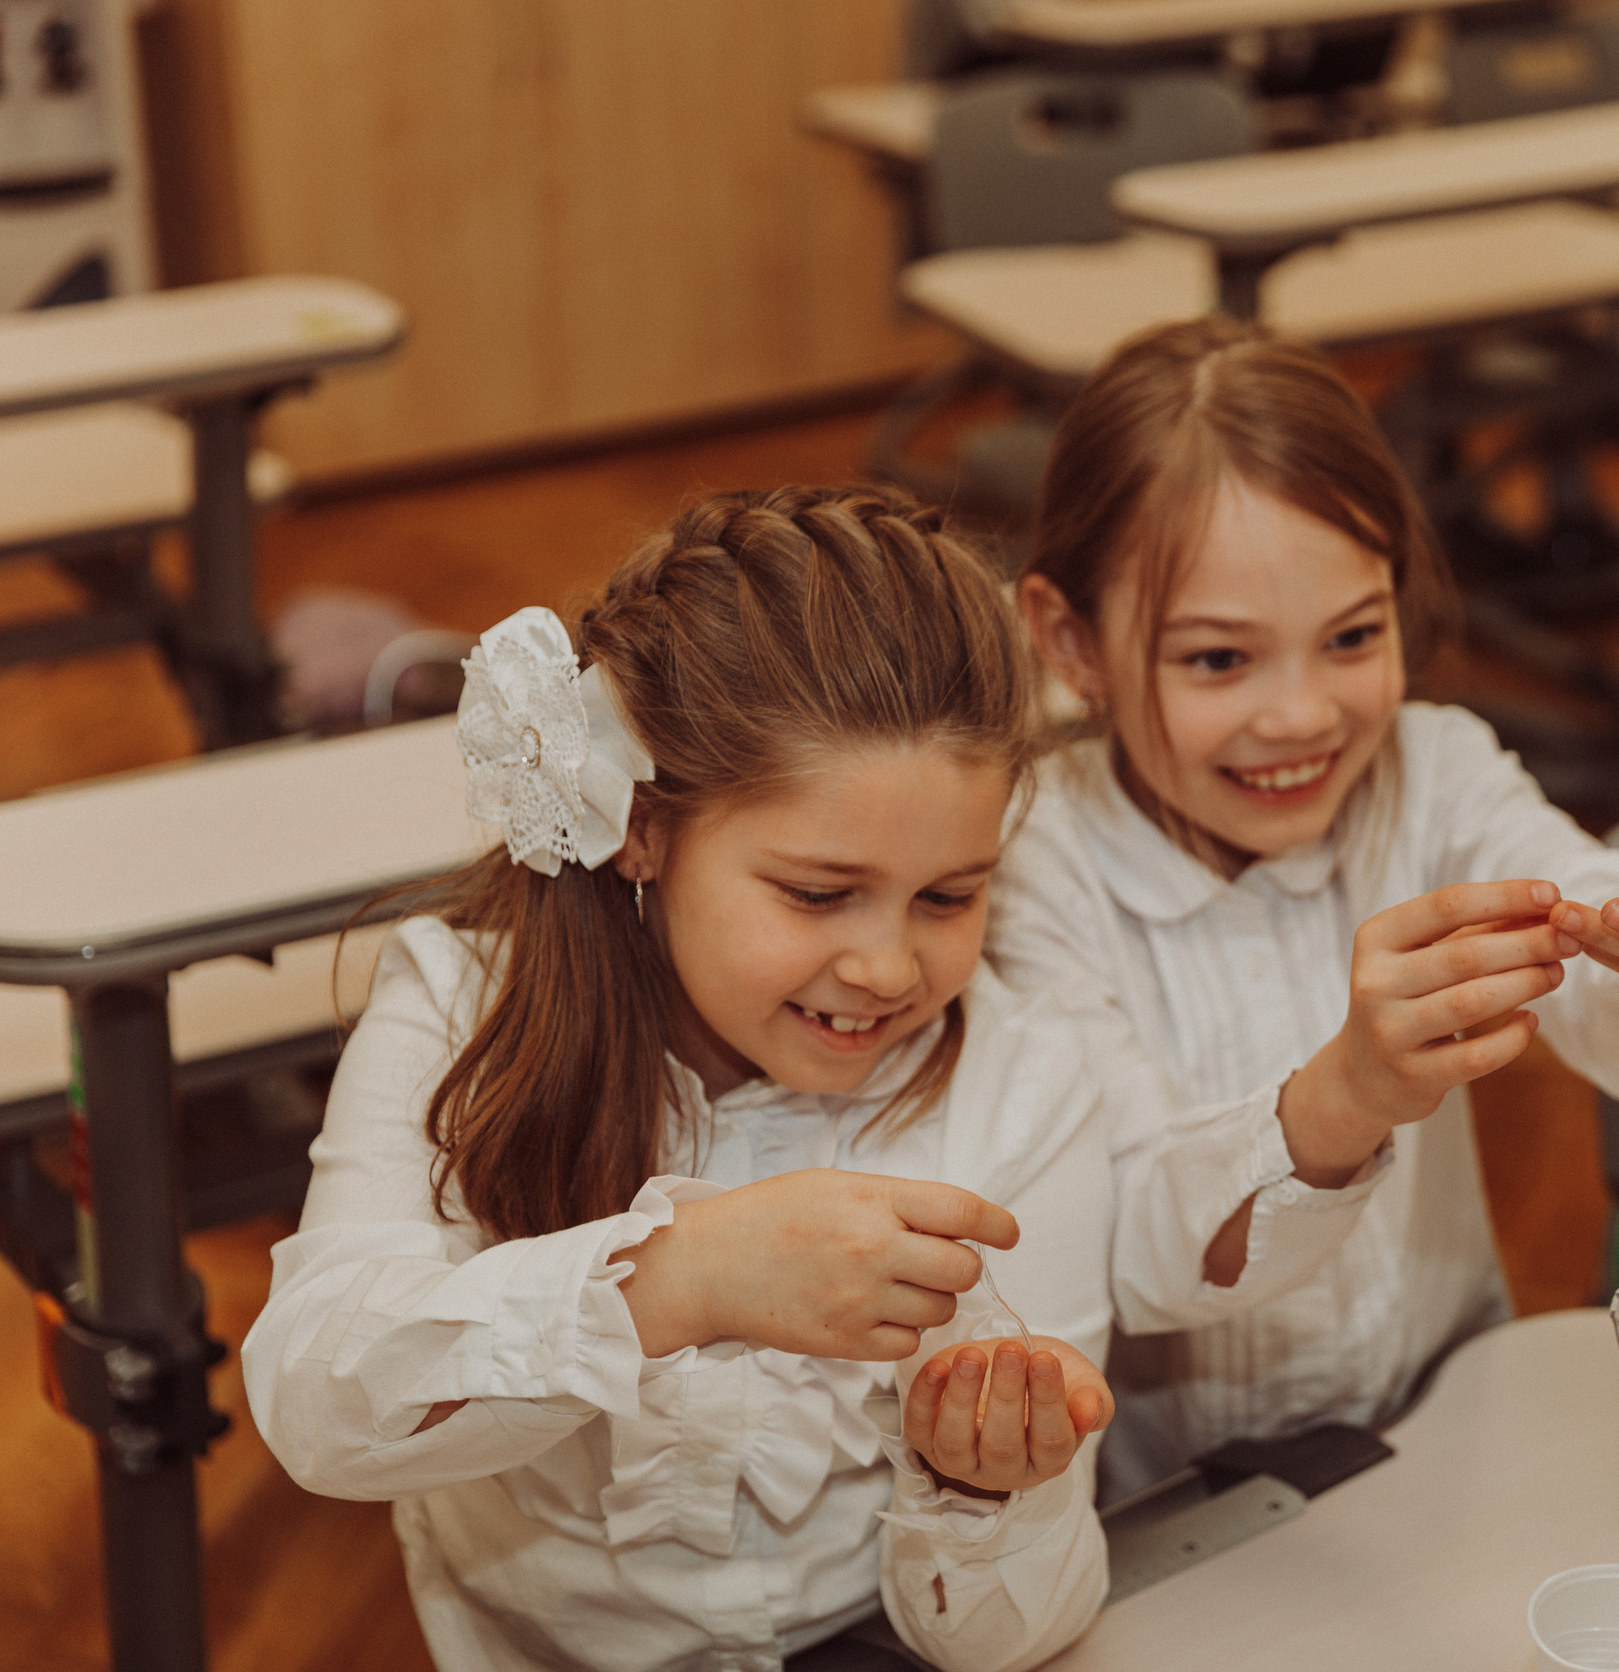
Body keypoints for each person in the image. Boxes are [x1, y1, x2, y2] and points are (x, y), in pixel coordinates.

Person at [244, 489, 1116, 1672]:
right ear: (644, 829)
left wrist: (986, 1489)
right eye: (816, 893)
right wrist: (673, 1281)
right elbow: (316, 1406)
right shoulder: (461, 1005)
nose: (888, 964)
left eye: (950, 896)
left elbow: (1021, 1634)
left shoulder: (1024, 1070)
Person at [992, 317, 1619, 1494]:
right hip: (1170, 1508)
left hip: (1448, 1431)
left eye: (1353, 637)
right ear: (1071, 641)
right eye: (1219, 660)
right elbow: (1131, 1242)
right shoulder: (1031, 864)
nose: (1304, 715)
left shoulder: (1433, 769)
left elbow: (1611, 1011)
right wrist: (1348, 1094)